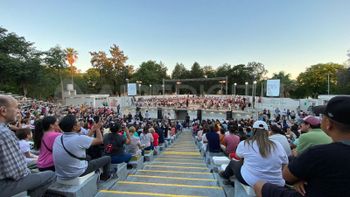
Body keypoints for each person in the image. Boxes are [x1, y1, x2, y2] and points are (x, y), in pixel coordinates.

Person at [254, 96, 350, 197]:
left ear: (328, 124)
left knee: (259, 185)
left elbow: (286, 175)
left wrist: (299, 177)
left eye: (323, 116)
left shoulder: (318, 153)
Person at [0, 95, 56, 197]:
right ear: (3, 111)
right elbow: (16, 173)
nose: (18, 111)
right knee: (50, 175)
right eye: (16, 107)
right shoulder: (3, 133)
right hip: (4, 184)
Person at [220, 120, 288, 187]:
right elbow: (285, 163)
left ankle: (225, 176)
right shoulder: (277, 144)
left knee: (233, 163)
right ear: (267, 132)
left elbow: (238, 156)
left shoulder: (245, 143)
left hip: (252, 181)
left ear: (253, 130)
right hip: (277, 183)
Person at [53, 115, 111, 180]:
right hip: (76, 173)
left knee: (88, 157)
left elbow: (85, 139)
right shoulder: (79, 139)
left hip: (61, 173)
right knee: (107, 158)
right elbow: (100, 140)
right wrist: (97, 128)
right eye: (77, 122)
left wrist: (92, 130)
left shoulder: (58, 138)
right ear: (74, 127)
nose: (79, 123)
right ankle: (105, 177)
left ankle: (96, 171)